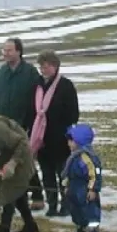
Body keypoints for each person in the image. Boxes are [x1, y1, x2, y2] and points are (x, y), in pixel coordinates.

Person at [0, 38, 44, 209]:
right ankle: (14, 197)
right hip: (4, 125)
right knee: (8, 161)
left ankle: (37, 196)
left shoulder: (30, 72)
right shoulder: (2, 72)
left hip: (24, 125)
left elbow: (37, 99)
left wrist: (32, 123)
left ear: (19, 52)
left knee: (25, 160)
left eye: (9, 50)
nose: (5, 53)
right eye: (4, 50)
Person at [29, 50, 79, 216]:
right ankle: (51, 204)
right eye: (41, 67)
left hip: (60, 139)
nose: (43, 70)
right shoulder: (36, 86)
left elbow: (73, 113)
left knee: (63, 174)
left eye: (46, 66)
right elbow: (31, 111)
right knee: (47, 174)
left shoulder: (66, 86)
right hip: (41, 139)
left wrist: (68, 134)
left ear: (55, 66)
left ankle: (66, 205)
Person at [62, 123, 102, 232]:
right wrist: (66, 185)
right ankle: (80, 230)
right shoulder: (73, 157)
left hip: (85, 189)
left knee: (90, 211)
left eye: (71, 141)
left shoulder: (87, 157)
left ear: (79, 141)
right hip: (74, 188)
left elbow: (94, 174)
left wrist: (93, 189)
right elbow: (68, 173)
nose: (68, 144)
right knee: (76, 210)